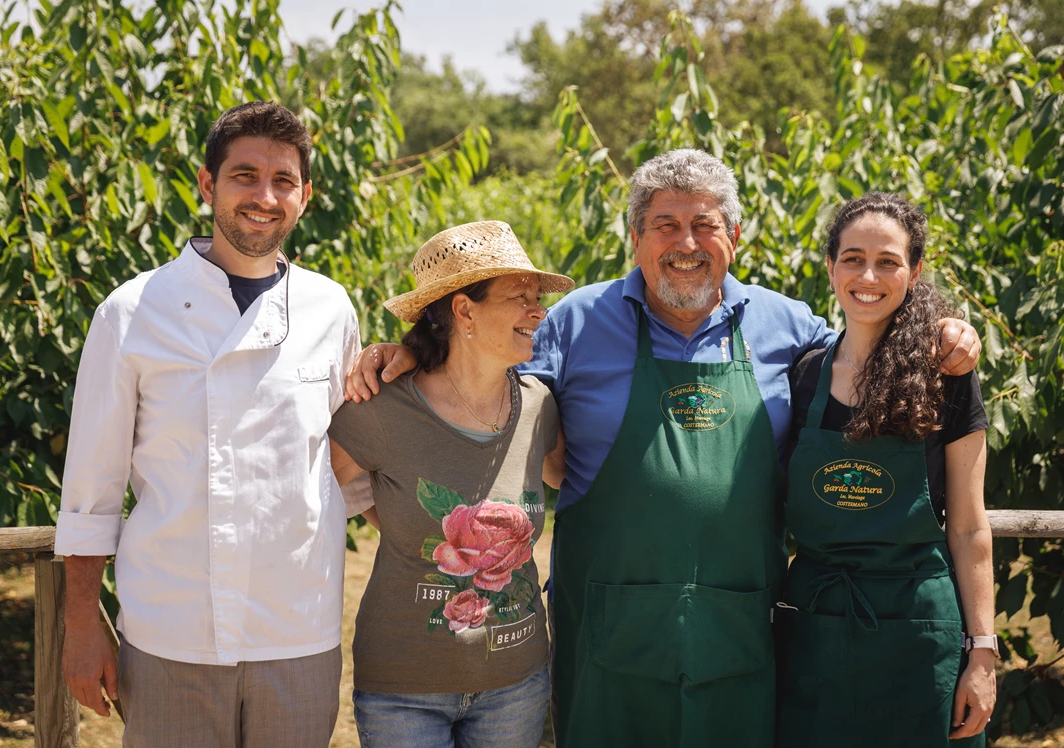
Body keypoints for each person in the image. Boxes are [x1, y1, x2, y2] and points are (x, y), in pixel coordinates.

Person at [350, 149, 981, 747]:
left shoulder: (790, 327)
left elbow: (872, 332)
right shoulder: (574, 320)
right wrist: (411, 353)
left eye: (704, 224)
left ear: (735, 236)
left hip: (739, 632)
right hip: (604, 635)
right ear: (634, 238)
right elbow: (483, 378)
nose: (685, 243)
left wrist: (947, 330)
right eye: (665, 225)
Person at [54, 102, 368, 747]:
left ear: (304, 196)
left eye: (283, 180)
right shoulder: (131, 313)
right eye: (244, 175)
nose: (264, 196)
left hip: (298, 629)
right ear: (207, 184)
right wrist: (83, 625)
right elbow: (91, 489)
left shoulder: (330, 308)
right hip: (170, 631)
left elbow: (345, 457)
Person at [328, 221, 574, 747]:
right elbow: (310, 492)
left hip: (517, 684)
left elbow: (569, 474)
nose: (540, 312)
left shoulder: (538, 406)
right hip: (405, 689)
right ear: (464, 310)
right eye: (520, 298)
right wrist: (388, 515)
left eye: (538, 299)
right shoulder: (383, 408)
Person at [777, 193, 995, 747]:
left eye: (888, 261)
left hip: (919, 632)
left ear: (914, 271)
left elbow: (969, 526)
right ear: (830, 267)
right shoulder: (802, 376)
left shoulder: (946, 373)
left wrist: (983, 654)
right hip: (815, 627)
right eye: (852, 258)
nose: (867, 275)